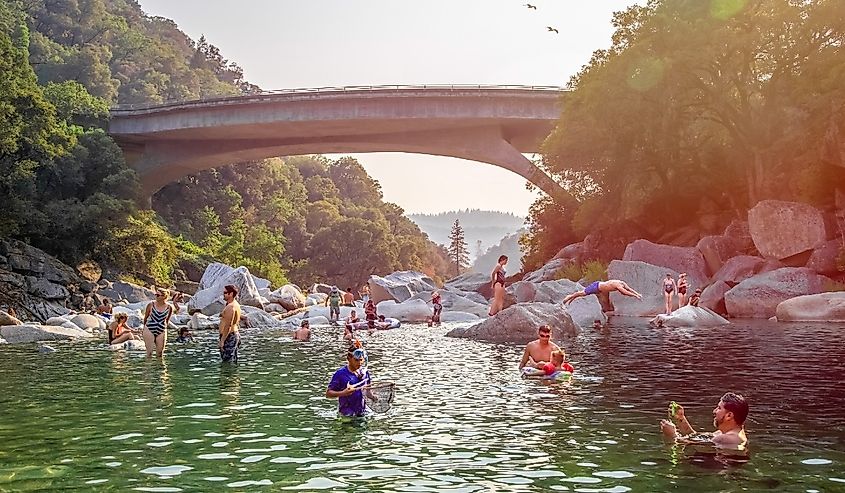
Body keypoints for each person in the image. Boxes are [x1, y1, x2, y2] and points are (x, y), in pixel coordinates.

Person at [660, 392, 749, 449]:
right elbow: (694, 437)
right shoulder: (723, 434)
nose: (714, 411)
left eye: (719, 408)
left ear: (729, 415)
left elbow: (690, 444)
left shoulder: (726, 438)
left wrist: (672, 435)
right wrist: (681, 418)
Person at [325, 342, 372, 417]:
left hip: (362, 413)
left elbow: (367, 392)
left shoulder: (364, 373)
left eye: (361, 360)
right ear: (349, 359)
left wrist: (375, 398)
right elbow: (328, 394)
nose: (359, 363)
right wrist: (343, 393)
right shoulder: (340, 374)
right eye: (356, 360)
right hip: (346, 415)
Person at [142, 288, 182, 358]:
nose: (156, 296)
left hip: (161, 330)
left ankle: (160, 368)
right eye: (156, 295)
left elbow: (167, 320)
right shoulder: (151, 304)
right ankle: (148, 368)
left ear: (164, 296)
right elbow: (145, 317)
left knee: (160, 353)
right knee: (149, 353)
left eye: (158, 295)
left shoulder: (169, 307)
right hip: (149, 328)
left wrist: (164, 329)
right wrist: (144, 329)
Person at [563, 280, 643, 304]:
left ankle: (571, 299)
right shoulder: (618, 286)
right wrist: (635, 296)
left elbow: (629, 289)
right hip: (596, 287)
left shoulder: (622, 283)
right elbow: (625, 292)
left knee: (582, 294)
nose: (621, 292)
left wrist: (637, 293)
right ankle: (569, 297)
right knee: (582, 293)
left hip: (599, 288)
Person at [219, 284, 242, 363]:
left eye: (225, 293)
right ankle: (234, 375)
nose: (223, 295)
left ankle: (228, 375)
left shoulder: (231, 307)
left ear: (231, 294)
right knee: (233, 361)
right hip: (234, 335)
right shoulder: (235, 305)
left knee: (227, 362)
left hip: (229, 337)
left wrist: (222, 341)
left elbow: (228, 325)